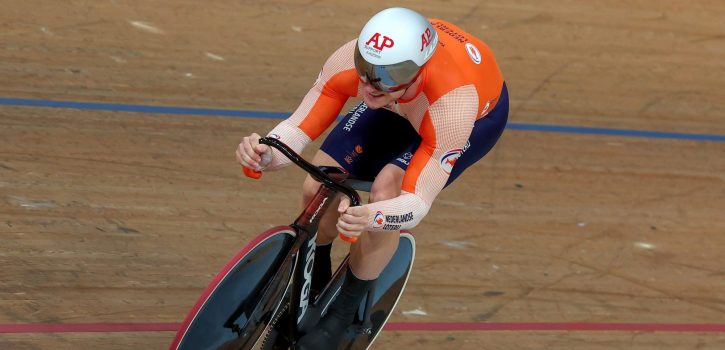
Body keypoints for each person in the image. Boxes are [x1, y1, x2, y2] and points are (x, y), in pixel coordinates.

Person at [236, 7, 508, 349]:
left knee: (385, 191)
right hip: (401, 103)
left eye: (387, 74)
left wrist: (376, 216)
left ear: (419, 69)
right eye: (365, 69)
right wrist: (267, 153)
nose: (369, 83)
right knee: (318, 183)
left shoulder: (453, 106)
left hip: (463, 118)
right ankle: (314, 279)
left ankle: (343, 314)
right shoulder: (360, 67)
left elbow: (417, 203)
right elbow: (298, 125)